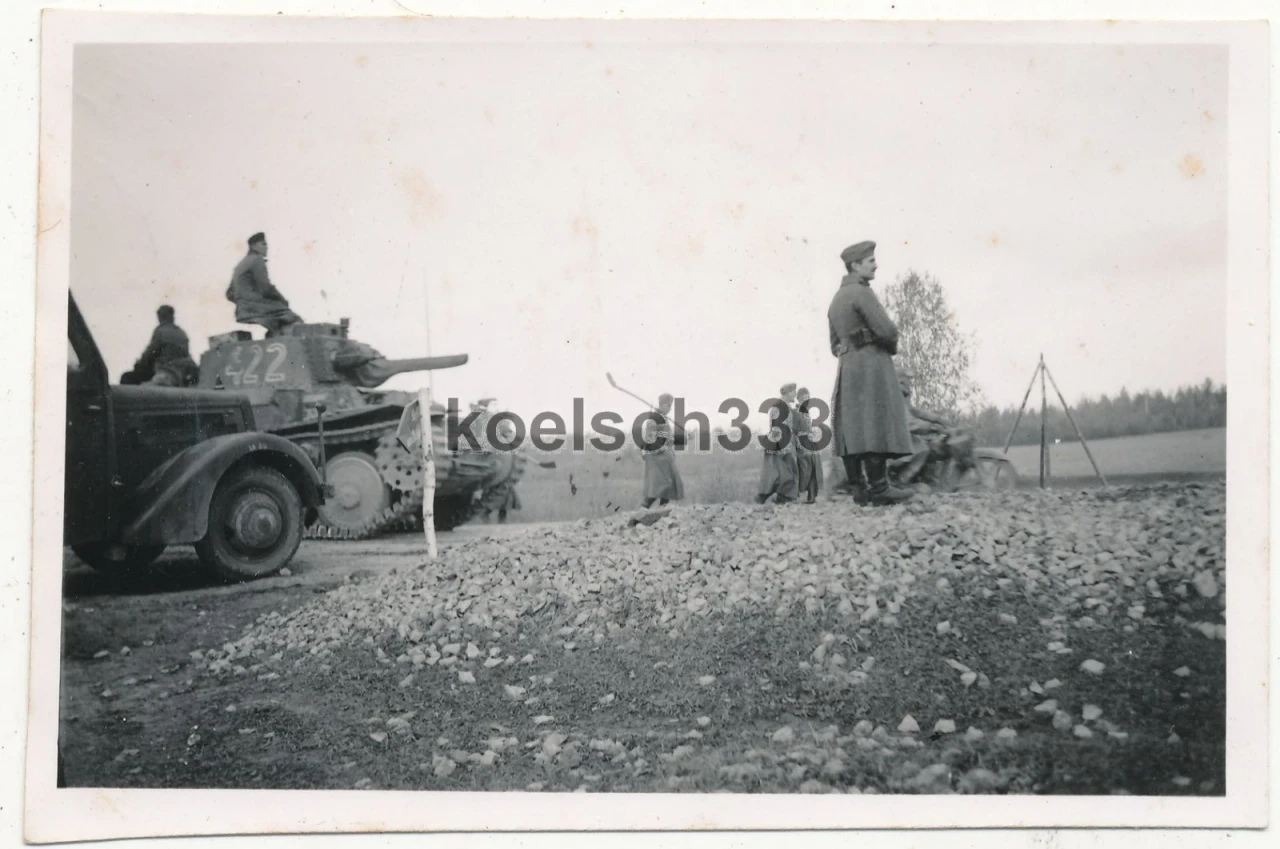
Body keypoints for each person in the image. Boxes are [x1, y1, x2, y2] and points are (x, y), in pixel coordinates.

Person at [827, 240, 915, 505]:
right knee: (875, 421)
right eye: (870, 261)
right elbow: (888, 331)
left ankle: (859, 489)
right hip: (871, 365)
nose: (875, 265)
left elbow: (833, 345)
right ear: (855, 265)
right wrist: (885, 347)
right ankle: (880, 488)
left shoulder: (836, 300)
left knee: (852, 426)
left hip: (848, 367)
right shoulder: (862, 292)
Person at [225, 232, 303, 335]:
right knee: (295, 320)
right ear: (253, 246)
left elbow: (229, 294)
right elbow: (265, 288)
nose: (266, 247)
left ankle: (274, 337)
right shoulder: (257, 260)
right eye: (263, 244)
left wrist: (243, 301)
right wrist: (282, 299)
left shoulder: (241, 264)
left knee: (277, 326)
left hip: (242, 310)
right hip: (256, 306)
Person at [120, 304, 198, 387]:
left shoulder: (161, 331)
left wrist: (138, 364)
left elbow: (149, 355)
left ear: (161, 316)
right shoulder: (182, 333)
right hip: (181, 373)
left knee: (127, 377)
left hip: (165, 371)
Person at [756, 383, 801, 505]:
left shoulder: (784, 406)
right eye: (793, 392)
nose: (795, 395)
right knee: (781, 472)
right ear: (787, 393)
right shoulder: (779, 406)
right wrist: (783, 446)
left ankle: (781, 497)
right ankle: (777, 497)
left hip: (785, 442)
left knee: (783, 472)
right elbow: (778, 427)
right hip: (782, 443)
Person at [640, 393, 684, 509]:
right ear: (662, 405)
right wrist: (661, 448)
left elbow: (668, 438)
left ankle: (662, 511)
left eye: (670, 406)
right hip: (656, 457)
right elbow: (649, 437)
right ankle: (642, 511)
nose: (670, 408)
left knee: (669, 485)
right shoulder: (654, 418)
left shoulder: (663, 418)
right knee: (658, 486)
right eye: (668, 405)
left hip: (664, 457)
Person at [795, 387, 824, 504]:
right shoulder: (796, 412)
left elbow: (808, 428)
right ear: (798, 399)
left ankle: (812, 496)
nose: (805, 400)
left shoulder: (806, 412)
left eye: (807, 398)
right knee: (804, 470)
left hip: (810, 444)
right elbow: (794, 430)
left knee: (814, 468)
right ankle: (800, 495)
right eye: (803, 398)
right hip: (801, 444)